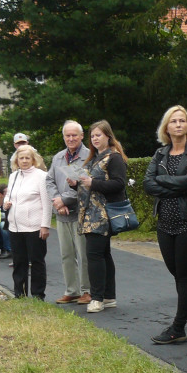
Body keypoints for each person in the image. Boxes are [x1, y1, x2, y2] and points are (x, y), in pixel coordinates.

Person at [143, 105, 187, 344]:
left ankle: (178, 327)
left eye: (182, 120)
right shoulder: (160, 155)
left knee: (185, 275)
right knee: (179, 275)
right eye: (174, 121)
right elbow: (148, 184)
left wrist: (163, 181)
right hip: (165, 223)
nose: (178, 124)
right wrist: (173, 184)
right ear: (166, 127)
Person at [76, 121, 128, 313]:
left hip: (103, 214)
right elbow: (90, 183)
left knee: (94, 255)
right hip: (91, 213)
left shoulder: (114, 157)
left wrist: (93, 183)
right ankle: (108, 296)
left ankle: (97, 298)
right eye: (92, 136)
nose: (95, 139)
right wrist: (76, 183)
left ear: (108, 135)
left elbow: (118, 184)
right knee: (103, 254)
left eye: (98, 135)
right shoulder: (95, 158)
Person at [46, 121, 92, 304]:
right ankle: (71, 290)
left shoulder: (89, 155)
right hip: (62, 214)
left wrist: (64, 200)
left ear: (81, 136)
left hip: (82, 213)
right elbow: (49, 181)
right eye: (67, 135)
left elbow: (85, 184)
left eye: (74, 135)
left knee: (84, 255)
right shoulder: (58, 157)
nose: (71, 139)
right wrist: (58, 202)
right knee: (66, 254)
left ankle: (86, 291)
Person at [3, 144, 51, 299]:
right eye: (21, 158)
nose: (24, 161)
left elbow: (47, 203)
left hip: (34, 226)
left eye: (27, 158)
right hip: (15, 226)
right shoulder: (14, 176)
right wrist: (6, 203)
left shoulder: (41, 176)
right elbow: (9, 195)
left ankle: (38, 295)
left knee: (36, 261)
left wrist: (45, 225)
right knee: (18, 261)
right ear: (17, 160)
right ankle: (19, 294)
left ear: (33, 159)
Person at [0, 182, 13, 259]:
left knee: (3, 226)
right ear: (0, 194)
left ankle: (9, 250)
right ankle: (1, 248)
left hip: (9, 222)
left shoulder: (10, 202)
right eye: (6, 193)